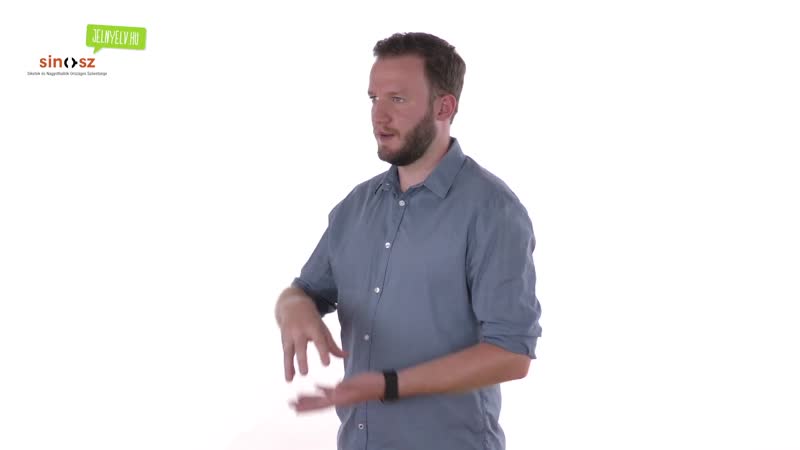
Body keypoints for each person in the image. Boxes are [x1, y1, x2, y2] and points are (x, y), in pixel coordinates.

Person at [274, 31, 542, 450]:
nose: (378, 117)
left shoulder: (493, 211)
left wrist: (389, 384)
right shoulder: (355, 207)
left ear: (444, 107)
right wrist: (293, 308)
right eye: (373, 98)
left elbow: (512, 354)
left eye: (397, 99)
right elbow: (305, 291)